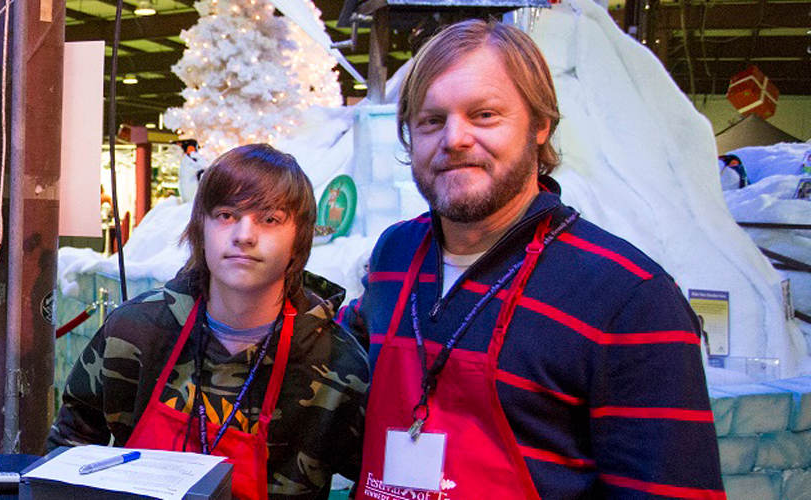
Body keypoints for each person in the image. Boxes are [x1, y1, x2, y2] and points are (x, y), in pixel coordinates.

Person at [337, 19, 724, 499]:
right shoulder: (394, 256)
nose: (453, 139)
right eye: (431, 120)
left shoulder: (629, 298)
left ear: (540, 126)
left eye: (484, 115)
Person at [50, 144, 370, 500]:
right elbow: (69, 448)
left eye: (270, 219)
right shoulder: (134, 332)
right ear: (200, 229)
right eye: (226, 215)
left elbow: (377, 481)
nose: (244, 235)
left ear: (299, 239)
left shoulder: (339, 364)